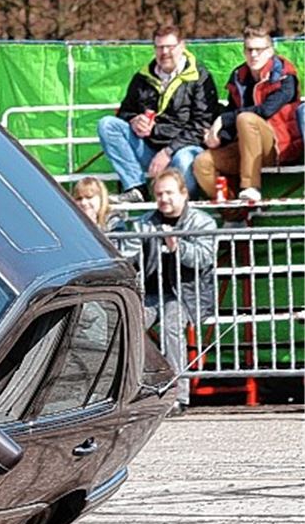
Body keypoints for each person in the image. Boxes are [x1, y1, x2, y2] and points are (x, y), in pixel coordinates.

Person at [122, 168, 217, 416]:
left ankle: (177, 395)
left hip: (187, 294)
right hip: (151, 294)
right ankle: (135, 389)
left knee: (171, 326)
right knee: (128, 325)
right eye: (159, 194)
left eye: (169, 193)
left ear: (184, 194)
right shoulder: (146, 222)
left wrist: (179, 248)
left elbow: (205, 258)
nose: (164, 199)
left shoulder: (202, 221)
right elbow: (129, 256)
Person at [97, 25, 218, 202]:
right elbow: (124, 111)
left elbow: (202, 125)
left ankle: (184, 206)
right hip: (148, 150)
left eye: (170, 47)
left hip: (183, 150)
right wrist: (133, 120)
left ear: (183, 46)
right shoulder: (142, 77)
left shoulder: (200, 77)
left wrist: (168, 151)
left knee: (185, 159)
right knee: (107, 125)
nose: (165, 52)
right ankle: (136, 189)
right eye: (160, 47)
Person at [192, 27, 301, 203]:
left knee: (246, 118)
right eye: (250, 50)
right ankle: (235, 213)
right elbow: (231, 111)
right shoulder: (238, 76)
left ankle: (250, 186)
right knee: (202, 162)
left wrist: (222, 120)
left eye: (260, 50)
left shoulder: (284, 76)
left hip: (276, 147)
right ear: (244, 51)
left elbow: (265, 110)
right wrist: (218, 137)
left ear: (271, 51)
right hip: (243, 147)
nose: (254, 55)